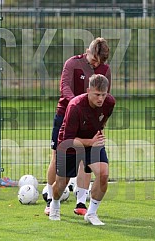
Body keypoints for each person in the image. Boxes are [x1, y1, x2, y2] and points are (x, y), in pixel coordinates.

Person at [44, 37, 111, 216]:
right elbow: (64, 87)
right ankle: (51, 199)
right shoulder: (73, 63)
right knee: (58, 157)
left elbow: (105, 95)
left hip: (90, 121)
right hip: (65, 115)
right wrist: (78, 103)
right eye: (94, 60)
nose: (97, 65)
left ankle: (81, 201)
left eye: (100, 62)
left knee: (86, 160)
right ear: (87, 52)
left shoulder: (104, 69)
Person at [49, 74, 115, 225]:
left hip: (93, 142)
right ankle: (54, 204)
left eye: (103, 95)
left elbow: (102, 119)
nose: (100, 99)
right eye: (97, 95)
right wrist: (90, 141)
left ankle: (91, 213)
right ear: (88, 90)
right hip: (69, 144)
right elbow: (68, 140)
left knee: (103, 174)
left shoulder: (110, 102)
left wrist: (96, 135)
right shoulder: (75, 106)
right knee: (61, 184)